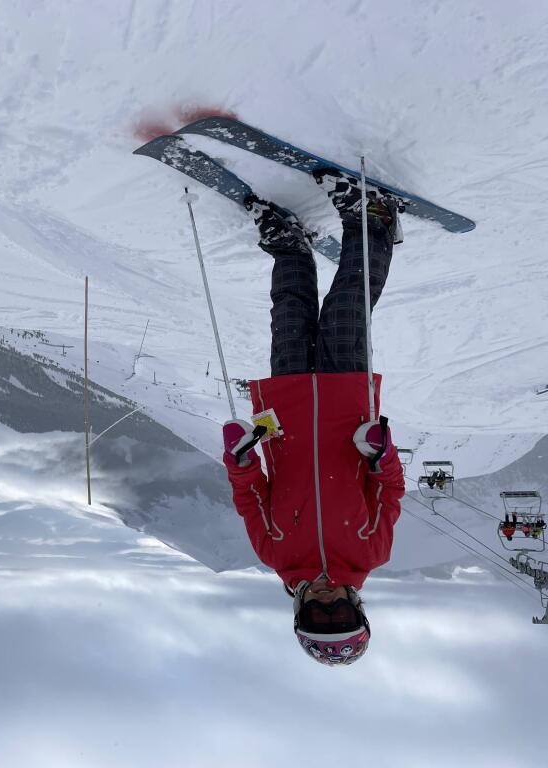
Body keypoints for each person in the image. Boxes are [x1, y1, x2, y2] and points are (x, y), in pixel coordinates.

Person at [221, 170, 406, 667]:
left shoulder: (274, 553)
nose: (329, 602)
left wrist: (240, 457)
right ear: (357, 607)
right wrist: (381, 454)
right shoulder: (371, 551)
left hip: (283, 417)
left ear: (300, 613)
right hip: (347, 410)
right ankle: (372, 221)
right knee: (348, 305)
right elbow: (389, 491)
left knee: (290, 314)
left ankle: (290, 248)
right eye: (340, 613)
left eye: (318, 617)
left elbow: (249, 493)